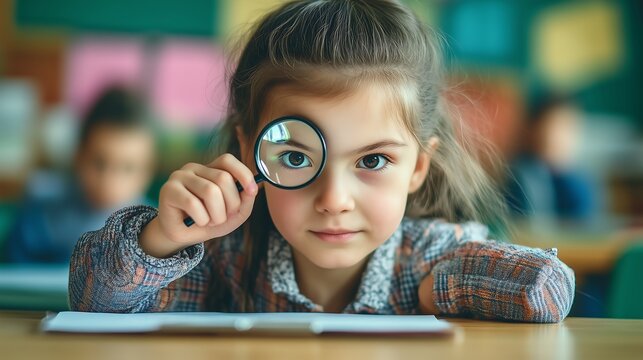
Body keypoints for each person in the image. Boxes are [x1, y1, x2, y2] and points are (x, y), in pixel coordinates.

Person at [69, 0, 574, 322]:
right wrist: (161, 240)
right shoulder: (224, 255)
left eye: (373, 161)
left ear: (418, 167)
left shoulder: (430, 254)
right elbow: (91, 301)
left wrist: (442, 285)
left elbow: (550, 289)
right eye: (294, 156)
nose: (333, 200)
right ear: (250, 152)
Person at [3, 85, 156, 263]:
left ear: (148, 172)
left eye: (128, 167)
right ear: (79, 156)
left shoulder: (156, 233)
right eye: (99, 163)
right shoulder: (41, 214)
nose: (109, 182)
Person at [505, 93, 601, 228]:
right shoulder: (519, 177)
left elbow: (587, 226)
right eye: (550, 127)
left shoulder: (581, 179)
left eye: (568, 129)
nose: (557, 137)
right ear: (532, 130)